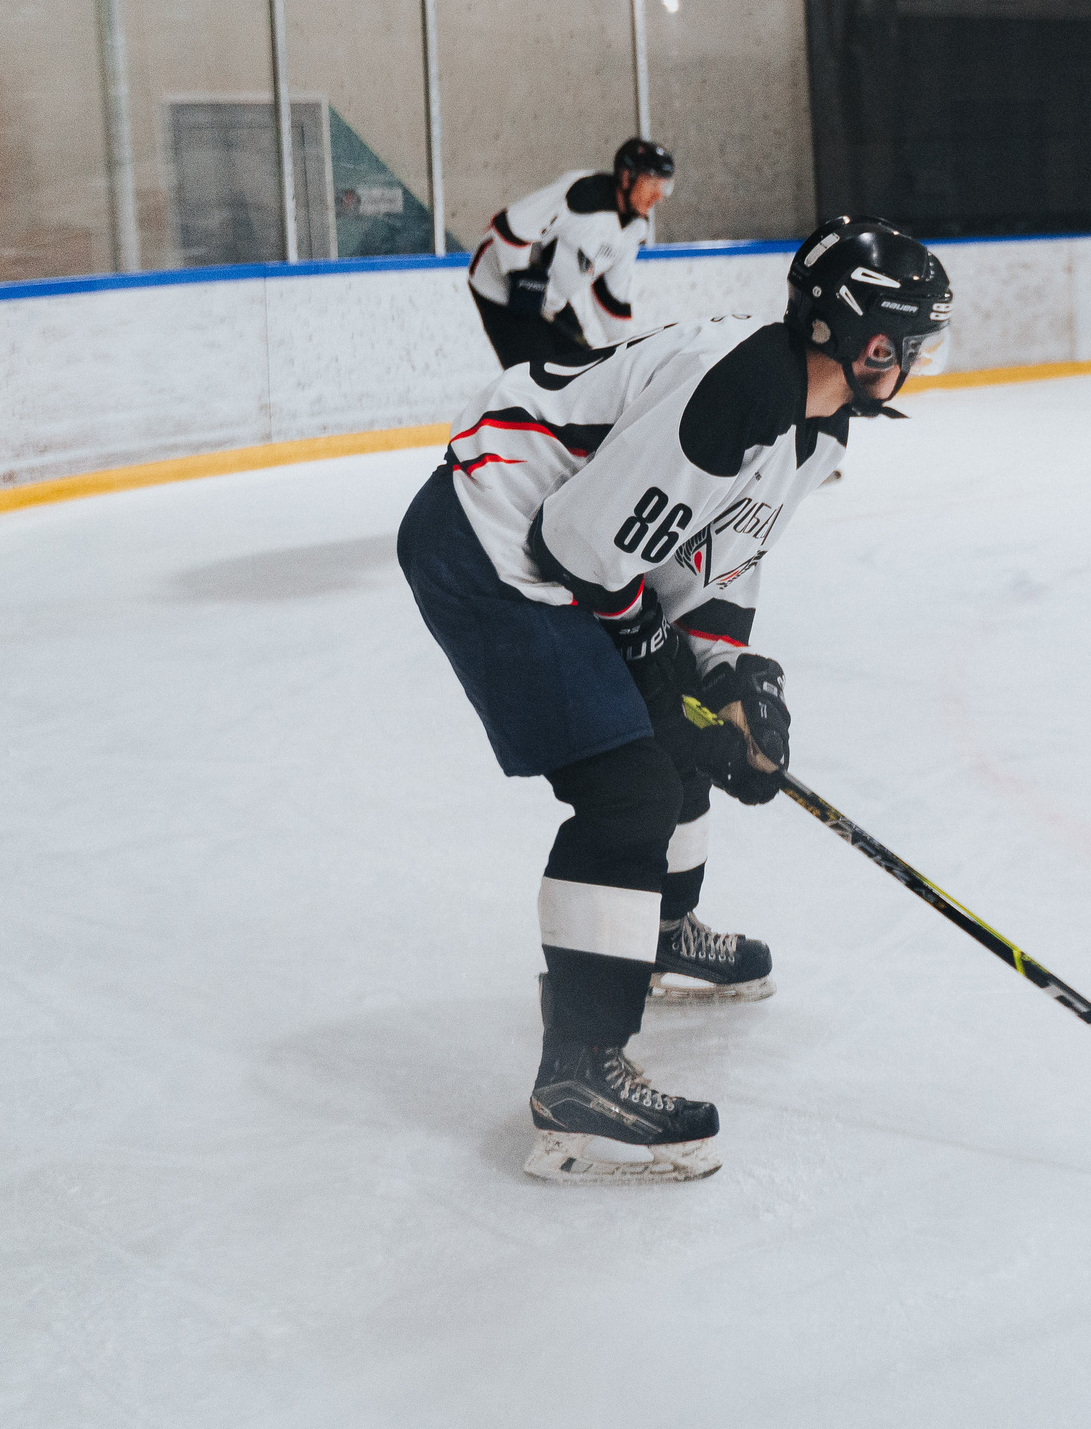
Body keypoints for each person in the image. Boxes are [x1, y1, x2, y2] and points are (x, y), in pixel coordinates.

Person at [399, 216, 954, 1182]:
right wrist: (663, 676)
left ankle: (657, 931)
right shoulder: (741, 392)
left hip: (569, 554)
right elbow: (577, 544)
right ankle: (578, 1074)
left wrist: (724, 682)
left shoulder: (815, 425)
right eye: (905, 340)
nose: (912, 359)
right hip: (491, 544)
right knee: (630, 785)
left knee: (685, 723)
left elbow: (711, 564)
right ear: (857, 335)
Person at [468, 138, 677, 369]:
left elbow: (611, 299)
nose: (659, 195)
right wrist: (521, 278)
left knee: (582, 374)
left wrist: (632, 351)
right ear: (627, 177)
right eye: (652, 183)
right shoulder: (583, 194)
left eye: (664, 186)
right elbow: (509, 224)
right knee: (538, 379)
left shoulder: (636, 227)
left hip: (548, 301)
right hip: (497, 288)